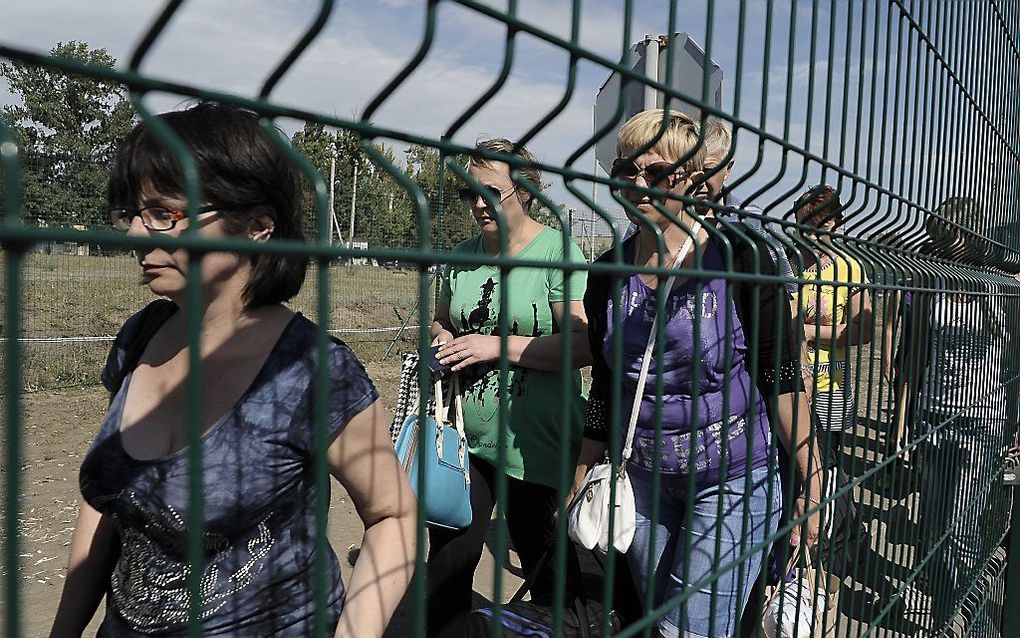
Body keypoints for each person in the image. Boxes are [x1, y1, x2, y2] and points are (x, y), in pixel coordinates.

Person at [48, 103, 416, 638]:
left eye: (163, 213)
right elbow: (107, 503)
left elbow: (393, 518)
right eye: (131, 211)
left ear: (258, 226)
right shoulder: (139, 337)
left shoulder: (312, 371)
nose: (134, 233)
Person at [577, 109, 823, 638]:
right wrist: (581, 470)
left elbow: (781, 377)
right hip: (642, 480)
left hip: (733, 478)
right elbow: (605, 384)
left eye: (658, 174)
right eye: (627, 171)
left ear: (690, 179)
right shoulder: (606, 275)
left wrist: (812, 477)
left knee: (687, 630)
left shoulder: (741, 259)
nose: (639, 185)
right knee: (655, 615)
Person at [426, 138, 590, 637]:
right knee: (450, 561)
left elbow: (582, 346)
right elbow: (437, 322)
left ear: (525, 191)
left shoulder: (557, 251)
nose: (479, 204)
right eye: (470, 193)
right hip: (465, 441)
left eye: (491, 192)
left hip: (536, 445)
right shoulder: (461, 256)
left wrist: (494, 346)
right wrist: (444, 342)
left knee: (548, 570)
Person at [904, 198, 1016, 637]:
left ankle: (968, 625)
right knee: (933, 536)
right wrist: (903, 420)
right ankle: (946, 620)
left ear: (967, 236)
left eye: (944, 235)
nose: (937, 243)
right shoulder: (934, 280)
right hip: (932, 416)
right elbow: (915, 352)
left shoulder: (999, 287)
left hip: (982, 421)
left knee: (963, 535)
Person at [789, 185, 872, 589]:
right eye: (807, 223)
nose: (816, 232)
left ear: (837, 223)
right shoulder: (789, 264)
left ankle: (831, 555)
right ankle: (796, 556)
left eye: (823, 222)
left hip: (829, 389)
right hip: (791, 387)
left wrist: (804, 332)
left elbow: (862, 330)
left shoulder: (850, 269)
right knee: (794, 472)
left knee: (828, 472)